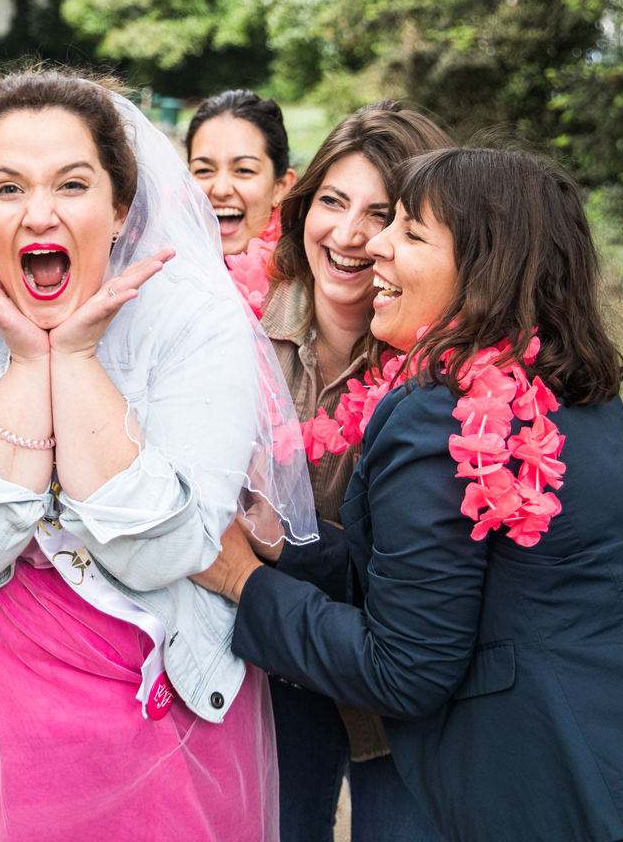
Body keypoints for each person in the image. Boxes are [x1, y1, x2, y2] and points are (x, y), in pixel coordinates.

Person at [194, 147, 623, 842]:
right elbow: (456, 583)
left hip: (601, 803)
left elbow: (404, 669)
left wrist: (242, 580)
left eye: (411, 233)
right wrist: (288, 545)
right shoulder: (565, 382)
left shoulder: (435, 417)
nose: (375, 244)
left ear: (485, 274)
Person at [0, 71, 318, 842]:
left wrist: (75, 365)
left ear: (119, 207)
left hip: (162, 693)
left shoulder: (195, 318)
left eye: (71, 185)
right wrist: (25, 367)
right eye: (7, 188)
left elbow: (168, 552)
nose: (39, 212)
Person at [256, 101, 451, 841]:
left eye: (381, 213)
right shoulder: (239, 327)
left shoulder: (449, 370)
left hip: (408, 691)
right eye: (332, 202)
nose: (347, 235)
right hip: (282, 666)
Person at [185, 91, 298, 316]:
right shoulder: (151, 271)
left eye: (244, 170)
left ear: (281, 186)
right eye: (204, 170)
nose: (221, 189)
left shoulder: (307, 289)